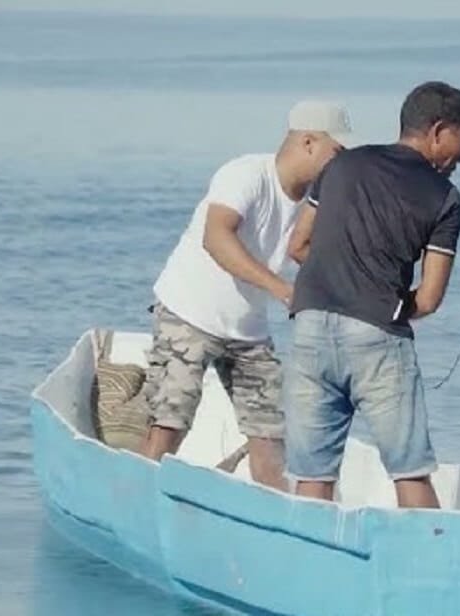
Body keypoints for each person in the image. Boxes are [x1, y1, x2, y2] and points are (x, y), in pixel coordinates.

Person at [137, 100, 354, 491]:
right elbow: (216, 237)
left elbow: (313, 254)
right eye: (337, 152)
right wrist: (279, 288)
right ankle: (139, 498)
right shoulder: (246, 173)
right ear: (308, 142)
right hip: (189, 314)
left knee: (270, 442)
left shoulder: (316, 202)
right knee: (170, 422)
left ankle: (275, 516)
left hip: (248, 331)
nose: (342, 164)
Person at [282, 81, 460, 508]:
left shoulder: (340, 166)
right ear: (438, 131)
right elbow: (429, 299)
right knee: (410, 472)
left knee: (313, 477)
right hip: (376, 335)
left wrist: (342, 276)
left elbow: (298, 246)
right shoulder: (446, 197)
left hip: (310, 325)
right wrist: (383, 299)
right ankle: (428, 549)